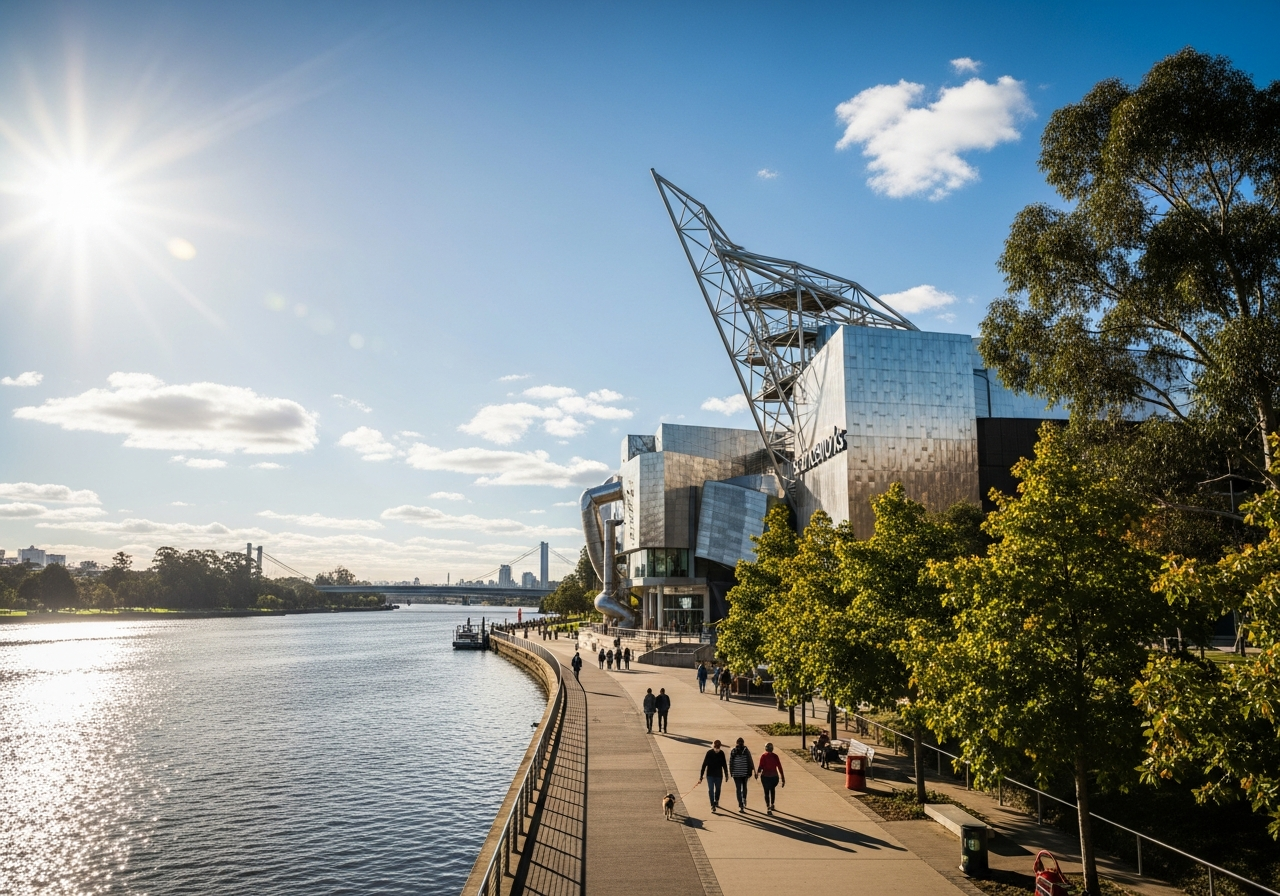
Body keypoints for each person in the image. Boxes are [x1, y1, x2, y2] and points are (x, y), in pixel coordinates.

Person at [698, 739, 728, 812]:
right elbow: (704, 765)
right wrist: (701, 776)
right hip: (710, 775)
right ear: (713, 746)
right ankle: (712, 804)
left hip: (719, 775)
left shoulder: (722, 753)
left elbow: (724, 765)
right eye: (716, 747)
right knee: (711, 790)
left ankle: (716, 800)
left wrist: (726, 774)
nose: (717, 749)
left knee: (718, 789)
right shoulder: (709, 753)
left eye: (718, 747)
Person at [756, 742, 785, 815]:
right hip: (774, 777)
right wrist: (782, 778)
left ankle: (768, 807)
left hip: (765, 777)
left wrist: (757, 773)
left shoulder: (763, 756)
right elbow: (780, 767)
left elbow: (760, 766)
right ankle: (772, 804)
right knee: (772, 790)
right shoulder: (775, 756)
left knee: (766, 792)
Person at [729, 737, 753, 812]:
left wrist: (731, 772)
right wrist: (750, 772)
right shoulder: (746, 751)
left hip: (737, 773)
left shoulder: (734, 751)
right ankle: (743, 800)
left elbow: (730, 763)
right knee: (743, 788)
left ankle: (741, 805)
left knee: (739, 789)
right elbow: (750, 762)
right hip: (744, 773)